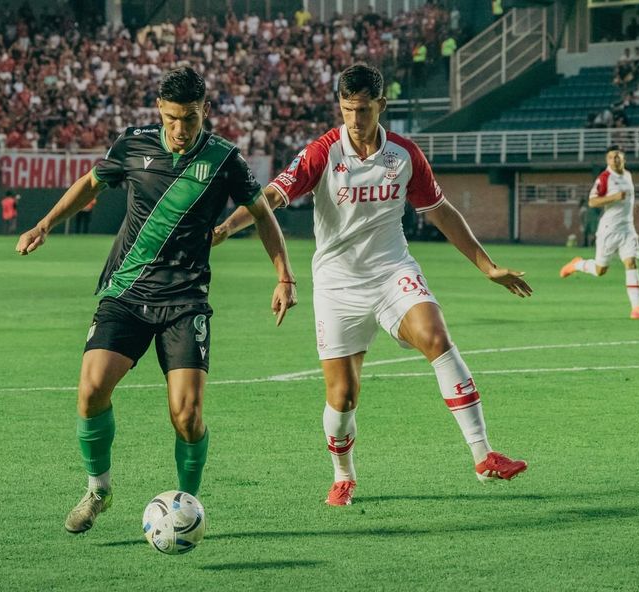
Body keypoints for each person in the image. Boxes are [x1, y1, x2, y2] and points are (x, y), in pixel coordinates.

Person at [213, 64, 531, 507]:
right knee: (342, 398)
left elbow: (441, 211)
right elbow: (268, 198)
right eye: (347, 110)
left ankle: (483, 455)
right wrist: (228, 227)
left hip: (391, 271)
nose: (355, 120)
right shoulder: (322, 153)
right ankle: (343, 475)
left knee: (436, 338)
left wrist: (488, 266)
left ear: (381, 105)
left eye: (363, 110)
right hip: (337, 285)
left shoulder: (404, 155)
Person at [15, 67, 297, 533]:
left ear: (205, 111)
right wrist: (45, 224)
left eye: (188, 118)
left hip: (184, 302)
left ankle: (186, 506)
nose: (179, 129)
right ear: (158, 111)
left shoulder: (225, 158)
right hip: (126, 291)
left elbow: (262, 214)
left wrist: (283, 275)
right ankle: (98, 489)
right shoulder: (134, 142)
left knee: (187, 416)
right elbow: (90, 183)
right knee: (90, 390)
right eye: (170, 118)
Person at [560, 146, 639, 320]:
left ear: (624, 159)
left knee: (631, 262)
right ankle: (577, 265)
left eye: (617, 157)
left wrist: (633, 205)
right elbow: (592, 201)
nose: (614, 160)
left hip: (627, 229)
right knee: (600, 270)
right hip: (609, 230)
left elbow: (626, 199)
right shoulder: (604, 177)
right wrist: (614, 197)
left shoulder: (627, 175)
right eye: (611, 158)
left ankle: (637, 308)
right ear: (607, 160)